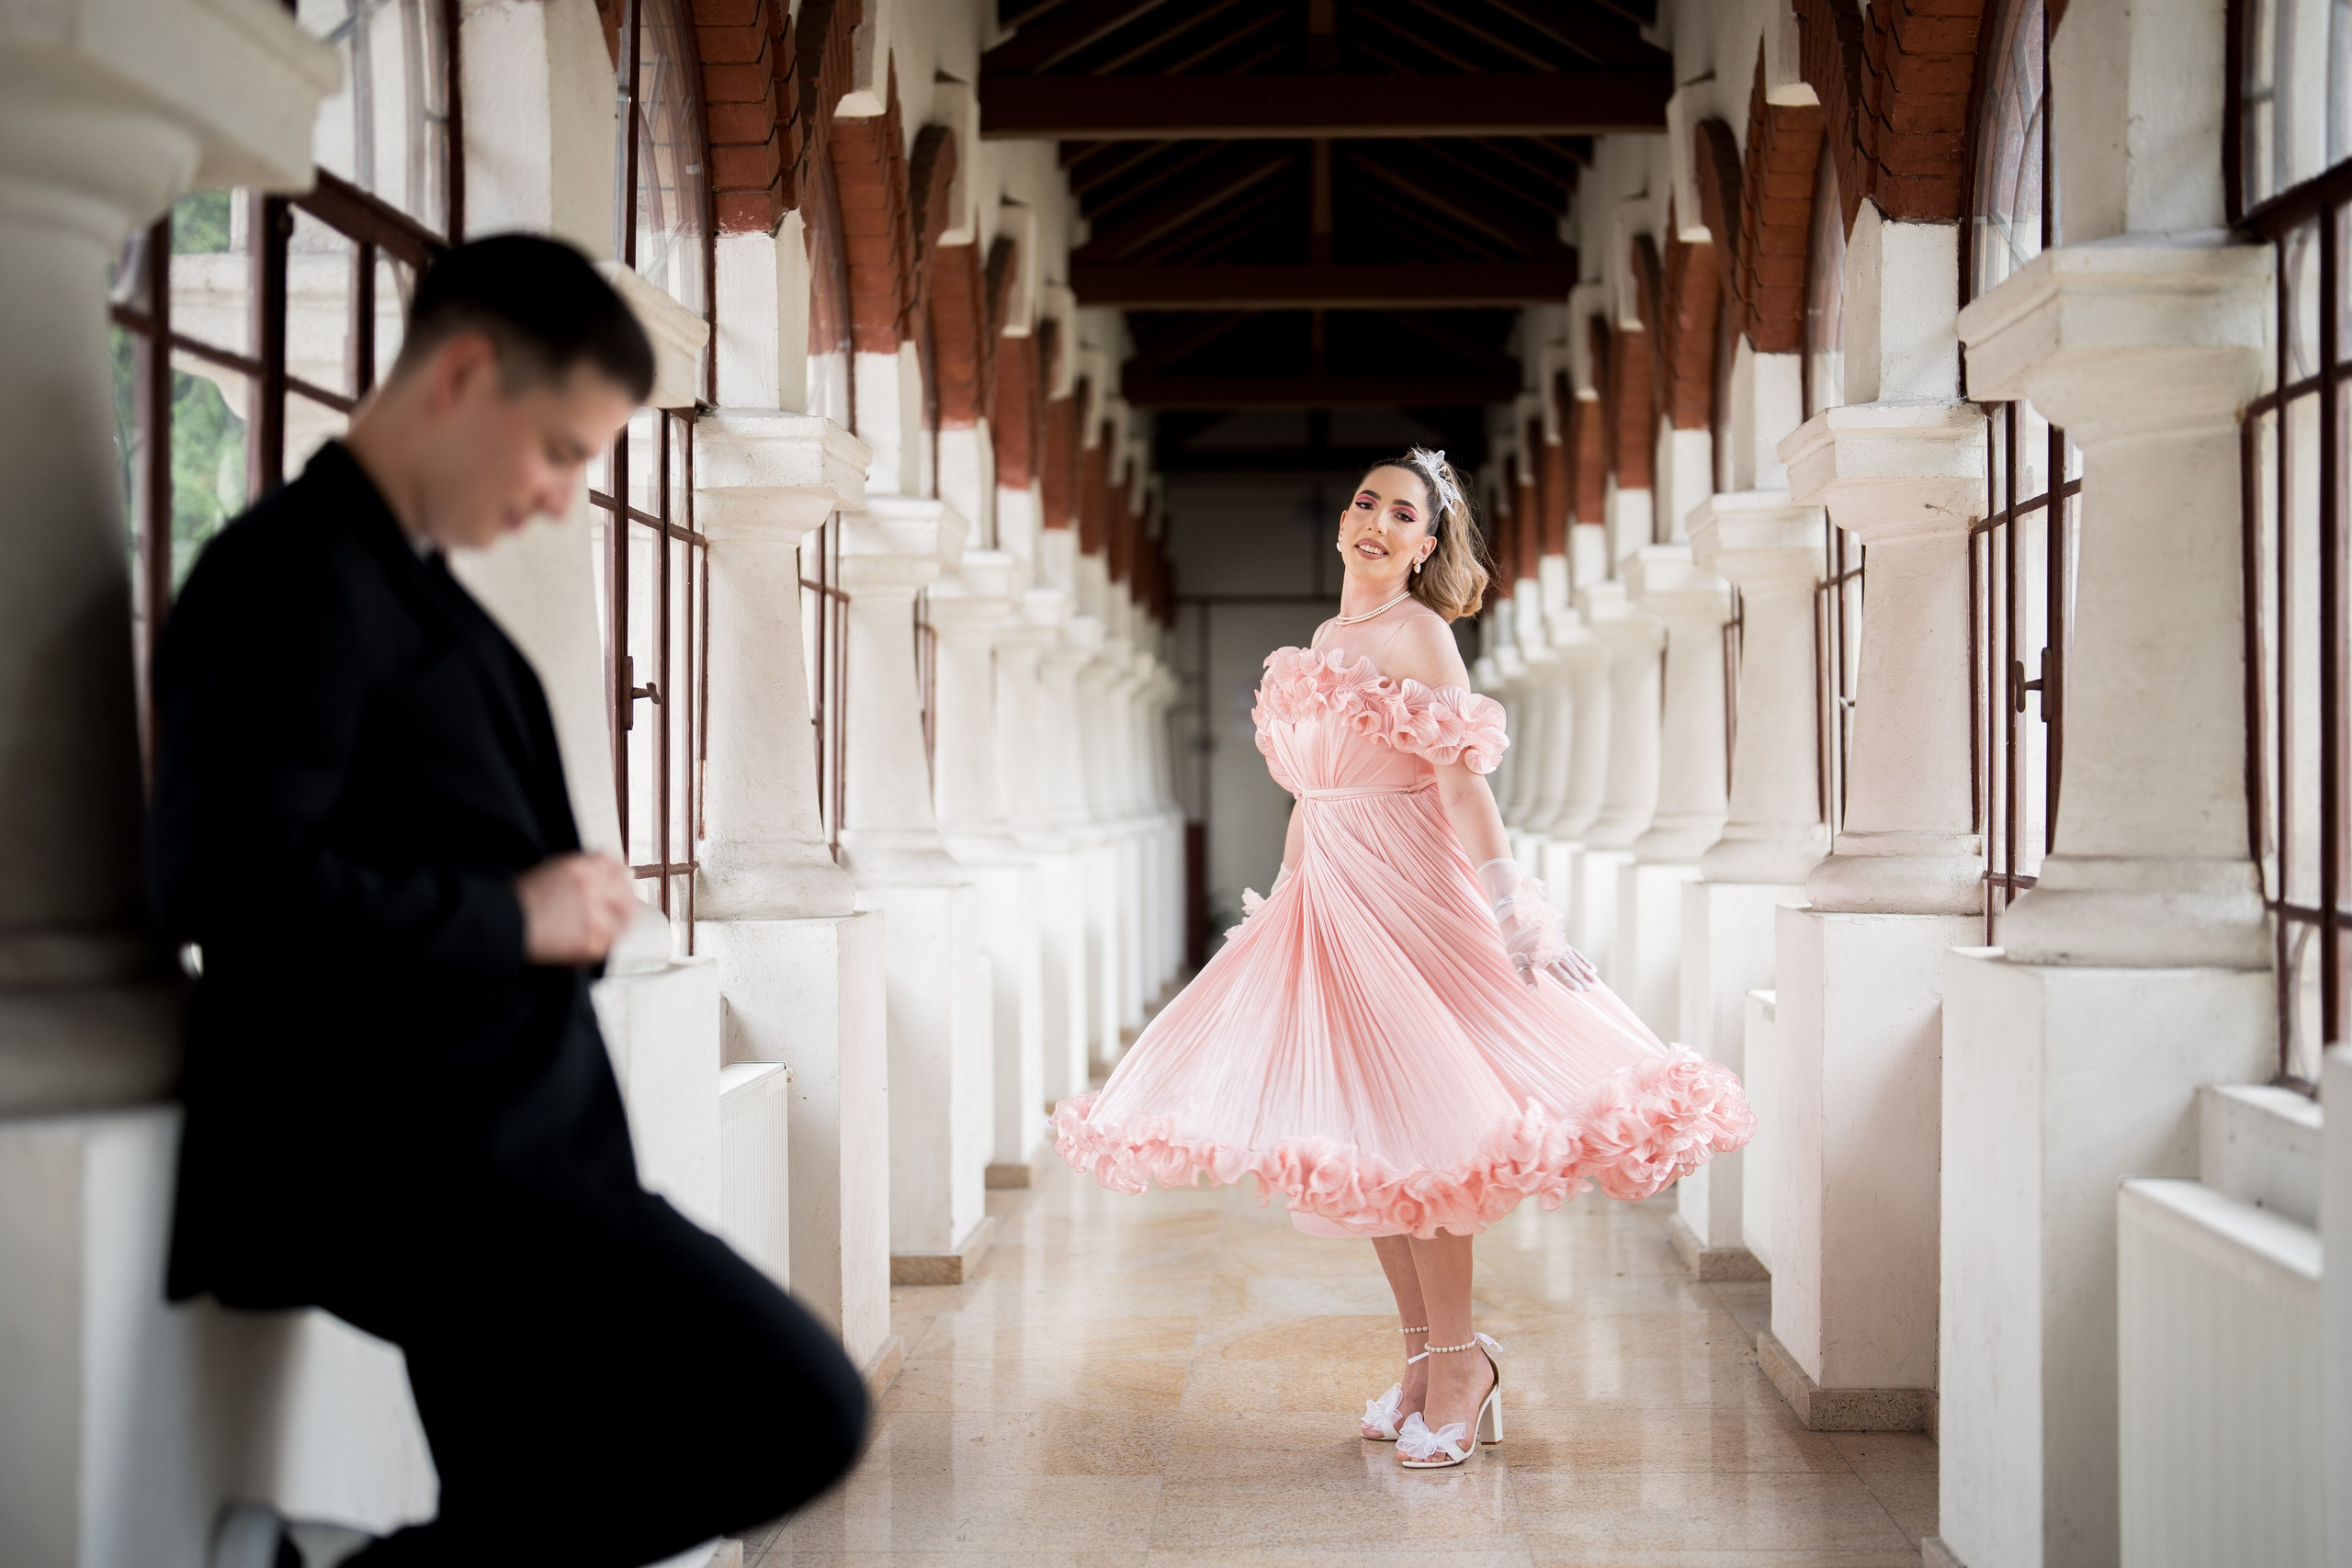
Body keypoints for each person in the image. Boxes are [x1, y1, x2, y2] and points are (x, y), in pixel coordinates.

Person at [150, 234, 868, 1566]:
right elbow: (222, 876)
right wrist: (520, 915)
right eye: (558, 449)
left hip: (515, 1152)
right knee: (800, 1412)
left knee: (519, 1513)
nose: (559, 499)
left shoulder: (407, 583)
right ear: (465, 371)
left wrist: (556, 893)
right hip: (430, 1168)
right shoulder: (289, 575)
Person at [1052, 449, 1755, 1468]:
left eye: (1403, 515)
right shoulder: (1327, 639)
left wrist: (1513, 902)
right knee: (1373, 1146)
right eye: (1365, 503)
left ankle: (1464, 1363)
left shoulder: (1419, 633)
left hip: (1411, 899)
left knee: (1429, 1141)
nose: (1376, 522)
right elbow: (1313, 799)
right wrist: (1280, 902)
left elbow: (1460, 782)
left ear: (1428, 546)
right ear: (1345, 521)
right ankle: (1426, 1359)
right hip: (1331, 900)